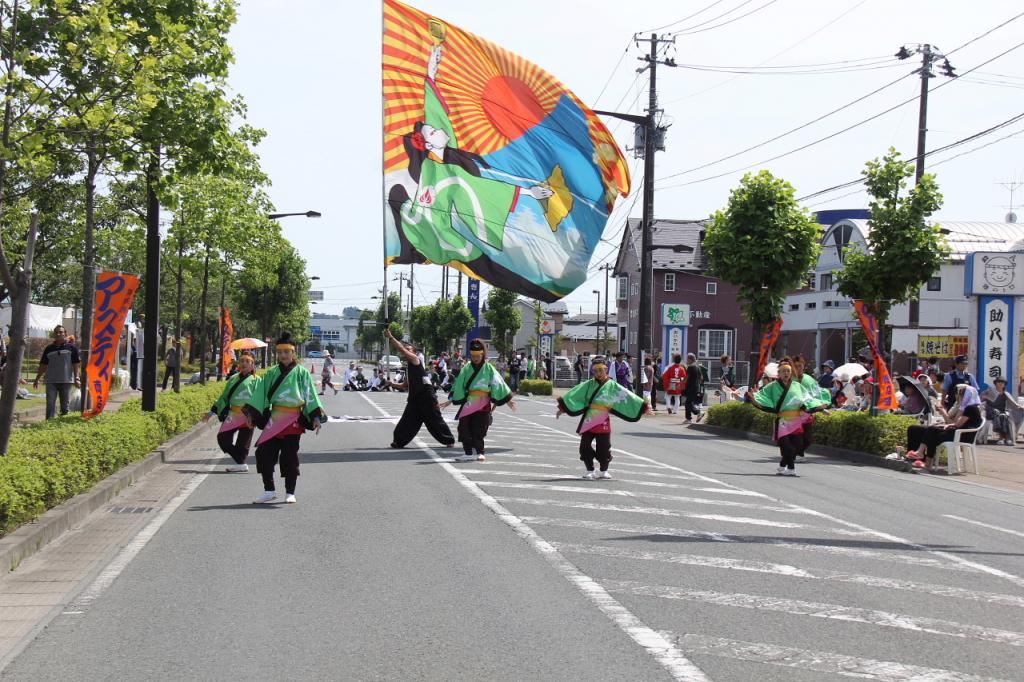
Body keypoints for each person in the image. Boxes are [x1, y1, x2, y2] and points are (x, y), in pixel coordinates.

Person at [243, 332, 325, 504]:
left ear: (293, 352)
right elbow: (261, 394)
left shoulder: (302, 373)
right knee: (263, 453)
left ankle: (290, 492)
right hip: (275, 418)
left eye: (287, 352)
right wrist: (252, 414)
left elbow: (310, 395)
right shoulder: (271, 373)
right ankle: (269, 490)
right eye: (280, 352)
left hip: (292, 420)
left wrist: (315, 416)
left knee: (289, 456)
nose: (283, 355)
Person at [556, 355, 649, 480]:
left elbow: (628, 396)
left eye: (601, 370)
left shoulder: (612, 385)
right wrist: (562, 409)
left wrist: (642, 407)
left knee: (604, 448)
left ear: (606, 369)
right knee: (584, 447)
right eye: (595, 370)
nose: (598, 373)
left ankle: (603, 470)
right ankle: (590, 469)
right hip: (590, 419)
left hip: (603, 420)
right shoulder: (588, 384)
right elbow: (575, 395)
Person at [747, 358, 829, 476]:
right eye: (783, 371)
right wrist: (755, 396)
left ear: (791, 373)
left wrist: (820, 407)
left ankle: (783, 463)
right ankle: (791, 468)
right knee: (787, 447)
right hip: (783, 422)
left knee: (798, 445)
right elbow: (762, 396)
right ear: (779, 373)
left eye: (788, 371)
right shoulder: (772, 386)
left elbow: (807, 399)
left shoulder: (797, 386)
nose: (786, 373)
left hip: (796, 421)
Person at [440, 338, 515, 462]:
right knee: (463, 426)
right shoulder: (467, 368)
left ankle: (480, 452)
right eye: (473, 356)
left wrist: (508, 399)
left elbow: (498, 383)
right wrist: (450, 400)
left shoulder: (489, 368)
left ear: (482, 354)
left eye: (478, 356)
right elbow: (459, 384)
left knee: (479, 428)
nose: (475, 358)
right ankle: (468, 452)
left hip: (483, 402)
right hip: (469, 401)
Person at [387, 329, 456, 449]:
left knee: (434, 419)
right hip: (415, 397)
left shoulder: (415, 360)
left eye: (409, 349)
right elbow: (405, 386)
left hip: (426, 396)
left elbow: (401, 349)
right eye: (407, 349)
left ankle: (448, 439)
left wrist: (391, 338)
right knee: (407, 419)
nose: (407, 350)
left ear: (414, 352)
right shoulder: (408, 368)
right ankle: (399, 441)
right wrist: (391, 384)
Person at [204, 351, 261, 473]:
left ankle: (241, 463)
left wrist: (256, 416)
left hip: (248, 415)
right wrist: (212, 412)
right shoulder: (233, 379)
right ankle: (241, 463)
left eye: (247, 361)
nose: (244, 363)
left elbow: (260, 400)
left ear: (253, 364)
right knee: (222, 438)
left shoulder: (257, 380)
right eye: (242, 361)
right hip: (233, 414)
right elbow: (224, 397)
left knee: (243, 444)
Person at [901, 385, 983, 468]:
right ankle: (917, 457)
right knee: (915, 429)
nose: (958, 396)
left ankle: (924, 459)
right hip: (956, 432)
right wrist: (943, 424)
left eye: (961, 394)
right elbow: (956, 423)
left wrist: (946, 421)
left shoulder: (970, 408)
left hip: (961, 435)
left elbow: (958, 424)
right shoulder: (964, 407)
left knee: (932, 432)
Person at [33, 325, 80, 420]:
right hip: (51, 381)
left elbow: (76, 364)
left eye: (61, 332)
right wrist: (37, 379)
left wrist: (77, 378)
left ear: (65, 334)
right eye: (56, 332)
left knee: (65, 407)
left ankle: (63, 427)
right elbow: (43, 365)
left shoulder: (72, 348)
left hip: (66, 381)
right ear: (54, 334)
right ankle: (49, 426)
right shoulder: (49, 348)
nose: (58, 334)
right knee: (50, 406)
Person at [981, 377, 1022, 445]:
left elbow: (1014, 404)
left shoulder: (1006, 394)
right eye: (999, 382)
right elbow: (980, 400)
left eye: (1002, 383)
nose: (1000, 384)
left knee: (1005, 417)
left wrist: (1020, 407)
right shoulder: (988, 391)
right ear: (995, 383)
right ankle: (1003, 437)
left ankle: (1005, 438)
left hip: (1002, 412)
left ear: (1004, 385)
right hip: (991, 411)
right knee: (998, 414)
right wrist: (984, 397)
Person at [684, 353, 704, 423]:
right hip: (696, 387)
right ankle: (688, 419)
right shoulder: (698, 367)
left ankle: (698, 413)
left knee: (688, 403)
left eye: (687, 359)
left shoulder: (691, 367)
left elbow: (686, 378)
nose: (687, 361)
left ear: (690, 359)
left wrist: (681, 383)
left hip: (691, 387)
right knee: (689, 402)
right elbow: (701, 378)